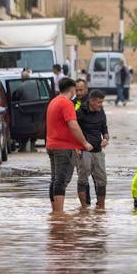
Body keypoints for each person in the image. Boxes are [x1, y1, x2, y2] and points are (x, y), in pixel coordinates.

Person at [45, 78, 94, 213]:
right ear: (72, 89)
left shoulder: (53, 101)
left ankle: (54, 212)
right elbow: (73, 125)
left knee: (55, 179)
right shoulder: (66, 103)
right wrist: (84, 143)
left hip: (51, 145)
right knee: (61, 180)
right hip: (63, 148)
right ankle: (59, 214)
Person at [75, 89, 109, 208]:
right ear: (91, 101)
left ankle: (101, 207)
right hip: (84, 151)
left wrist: (105, 139)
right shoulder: (80, 112)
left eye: (102, 102)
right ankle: (84, 208)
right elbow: (72, 130)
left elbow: (104, 129)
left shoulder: (101, 111)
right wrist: (76, 147)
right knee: (83, 179)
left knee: (102, 180)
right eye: (99, 102)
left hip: (98, 151)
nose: (101, 105)